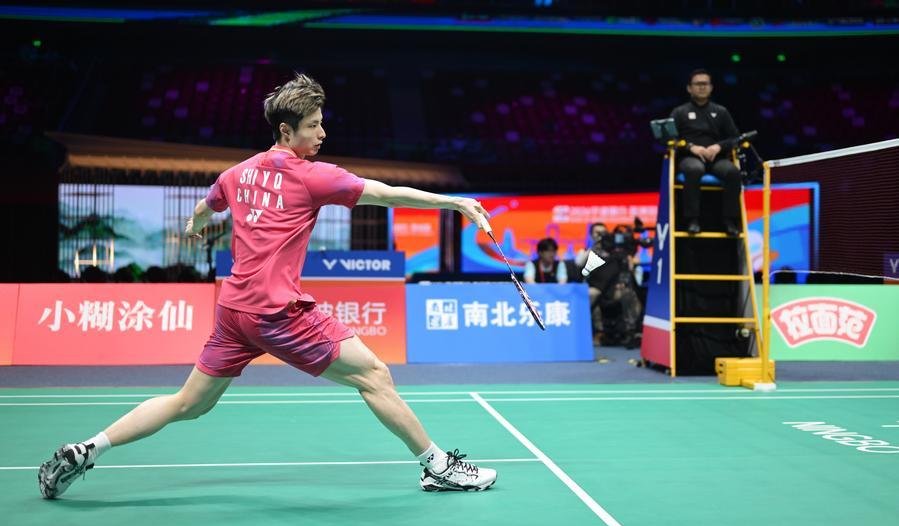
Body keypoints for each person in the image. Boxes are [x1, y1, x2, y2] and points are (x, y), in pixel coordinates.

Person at [38, 73, 497, 499]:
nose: (322, 134)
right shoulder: (313, 176)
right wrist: (454, 202)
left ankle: (88, 448)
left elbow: (205, 206)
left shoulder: (236, 173)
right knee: (374, 375)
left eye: (321, 123)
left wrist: (196, 224)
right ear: (285, 130)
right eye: (313, 126)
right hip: (277, 313)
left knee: (188, 403)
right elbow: (385, 193)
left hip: (233, 311)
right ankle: (437, 467)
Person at [670, 69, 742, 237]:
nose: (702, 87)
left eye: (705, 84)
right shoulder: (679, 112)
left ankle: (730, 220)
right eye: (698, 84)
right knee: (695, 169)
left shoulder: (721, 111)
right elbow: (671, 139)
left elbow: (735, 138)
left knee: (733, 172)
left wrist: (718, 147)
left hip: (716, 158)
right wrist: (691, 147)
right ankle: (692, 220)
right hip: (689, 158)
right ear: (689, 88)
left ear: (711, 87)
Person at [576, 222, 642, 348]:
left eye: (603, 233)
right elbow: (579, 263)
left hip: (613, 290)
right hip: (596, 289)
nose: (601, 235)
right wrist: (593, 247)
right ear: (591, 235)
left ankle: (631, 331)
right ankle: (597, 332)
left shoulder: (616, 252)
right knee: (589, 294)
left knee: (629, 294)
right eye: (597, 233)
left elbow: (630, 269)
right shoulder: (587, 251)